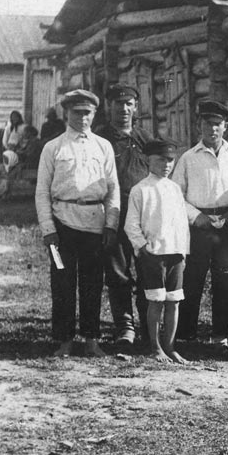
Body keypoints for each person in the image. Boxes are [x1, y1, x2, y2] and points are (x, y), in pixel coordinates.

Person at [34, 89, 121, 358]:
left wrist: (111, 225)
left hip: (94, 226)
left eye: (87, 112)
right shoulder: (53, 147)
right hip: (61, 226)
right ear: (66, 113)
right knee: (62, 281)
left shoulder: (103, 146)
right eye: (77, 112)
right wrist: (48, 229)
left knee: (92, 282)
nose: (82, 117)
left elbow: (113, 188)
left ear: (94, 114)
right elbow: (41, 192)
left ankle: (92, 340)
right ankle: (64, 341)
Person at [171, 100, 228, 348]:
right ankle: (186, 333)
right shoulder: (188, 158)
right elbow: (176, 194)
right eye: (208, 124)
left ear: (225, 127)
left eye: (218, 124)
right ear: (199, 126)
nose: (213, 129)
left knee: (226, 281)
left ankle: (220, 335)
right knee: (193, 279)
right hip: (198, 226)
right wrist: (197, 218)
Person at [95, 84, 153, 345]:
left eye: (129, 103)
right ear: (109, 107)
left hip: (143, 218)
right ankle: (125, 326)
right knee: (118, 272)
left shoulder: (145, 140)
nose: (124, 109)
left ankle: (149, 323)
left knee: (147, 269)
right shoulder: (100, 140)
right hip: (115, 214)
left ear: (136, 107)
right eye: (118, 104)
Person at [122, 139, 190, 365]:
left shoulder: (175, 189)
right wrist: (143, 248)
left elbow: (182, 224)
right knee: (156, 301)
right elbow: (131, 225)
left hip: (175, 254)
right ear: (147, 160)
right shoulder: (140, 190)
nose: (167, 165)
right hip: (154, 254)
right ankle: (155, 346)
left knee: (174, 301)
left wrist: (184, 252)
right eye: (161, 159)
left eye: (171, 160)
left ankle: (170, 346)